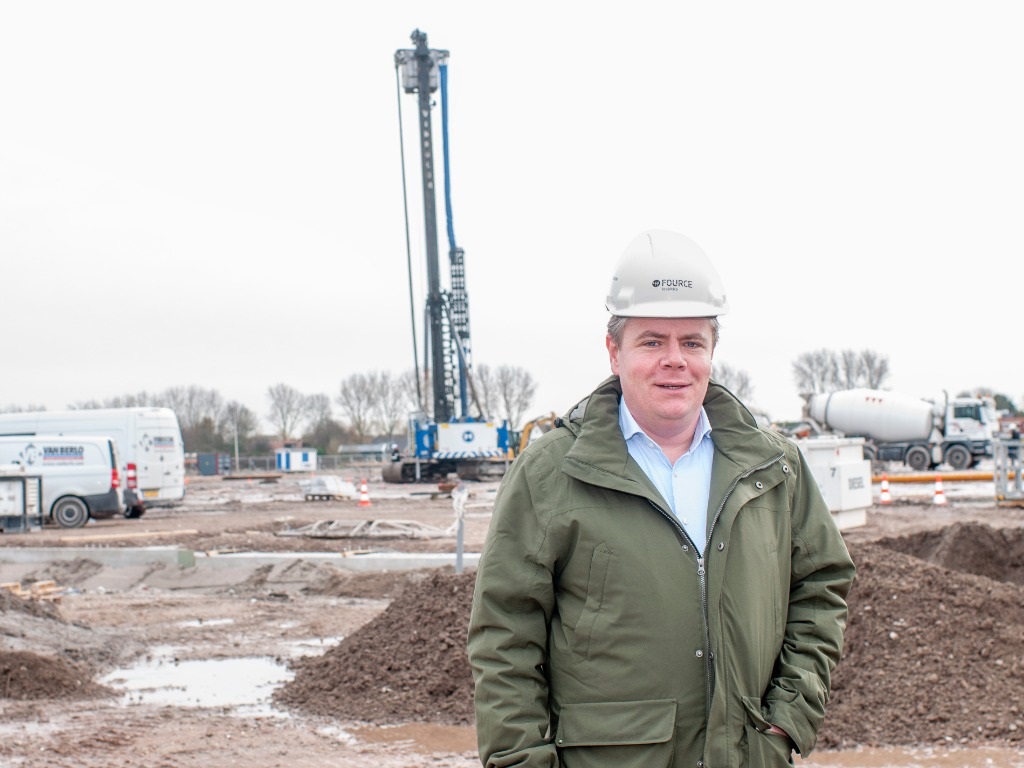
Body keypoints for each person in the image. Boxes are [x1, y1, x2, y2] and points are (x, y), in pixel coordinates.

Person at [467, 229, 856, 768]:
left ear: (712, 352)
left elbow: (821, 586)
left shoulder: (774, 467)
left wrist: (788, 721)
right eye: (652, 341)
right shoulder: (551, 472)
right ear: (614, 352)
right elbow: (505, 631)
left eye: (692, 342)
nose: (675, 360)